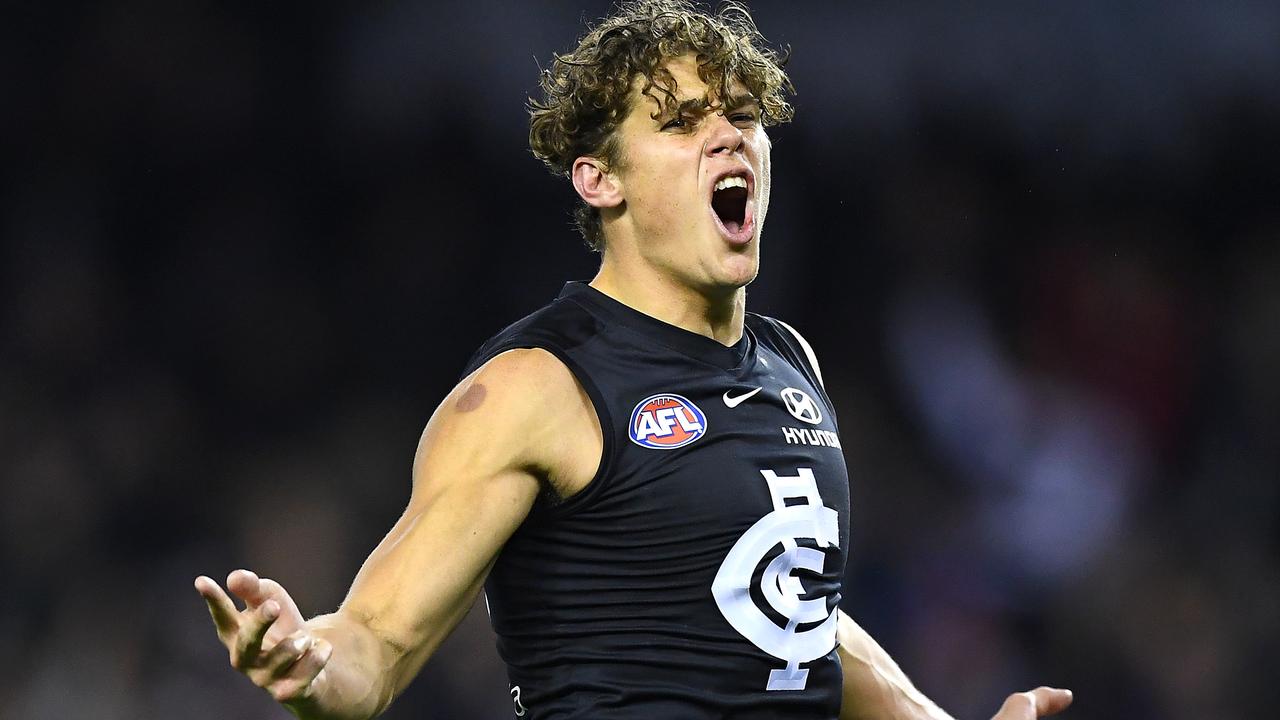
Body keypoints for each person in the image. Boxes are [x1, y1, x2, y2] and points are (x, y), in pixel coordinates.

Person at [194, 2, 1073, 718]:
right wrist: (308, 664)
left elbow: (795, 618)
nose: (729, 137)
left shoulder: (788, 363)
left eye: (743, 115)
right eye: (684, 122)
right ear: (598, 180)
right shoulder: (537, 386)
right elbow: (378, 642)